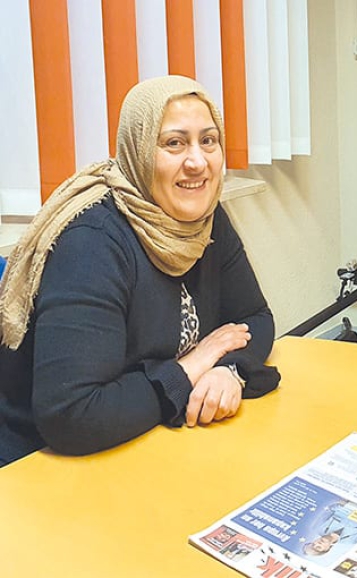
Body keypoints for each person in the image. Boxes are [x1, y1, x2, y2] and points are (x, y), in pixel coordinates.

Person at [0, 75, 280, 467]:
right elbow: (71, 415)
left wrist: (228, 371)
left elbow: (255, 317)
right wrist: (191, 367)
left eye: (209, 140)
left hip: (147, 441)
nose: (197, 161)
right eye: (174, 143)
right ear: (137, 151)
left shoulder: (207, 220)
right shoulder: (92, 242)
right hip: (40, 467)